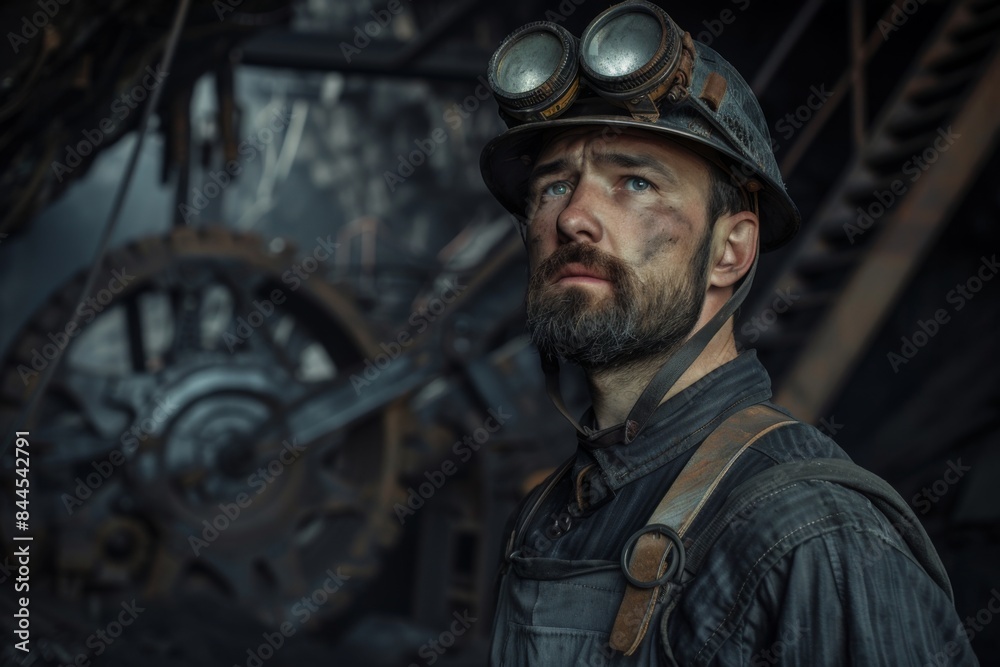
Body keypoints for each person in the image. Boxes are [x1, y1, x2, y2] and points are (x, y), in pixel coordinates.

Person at [477, 1, 978, 665]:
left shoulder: (812, 531)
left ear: (730, 252)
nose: (574, 218)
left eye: (635, 183)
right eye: (552, 187)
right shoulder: (551, 510)